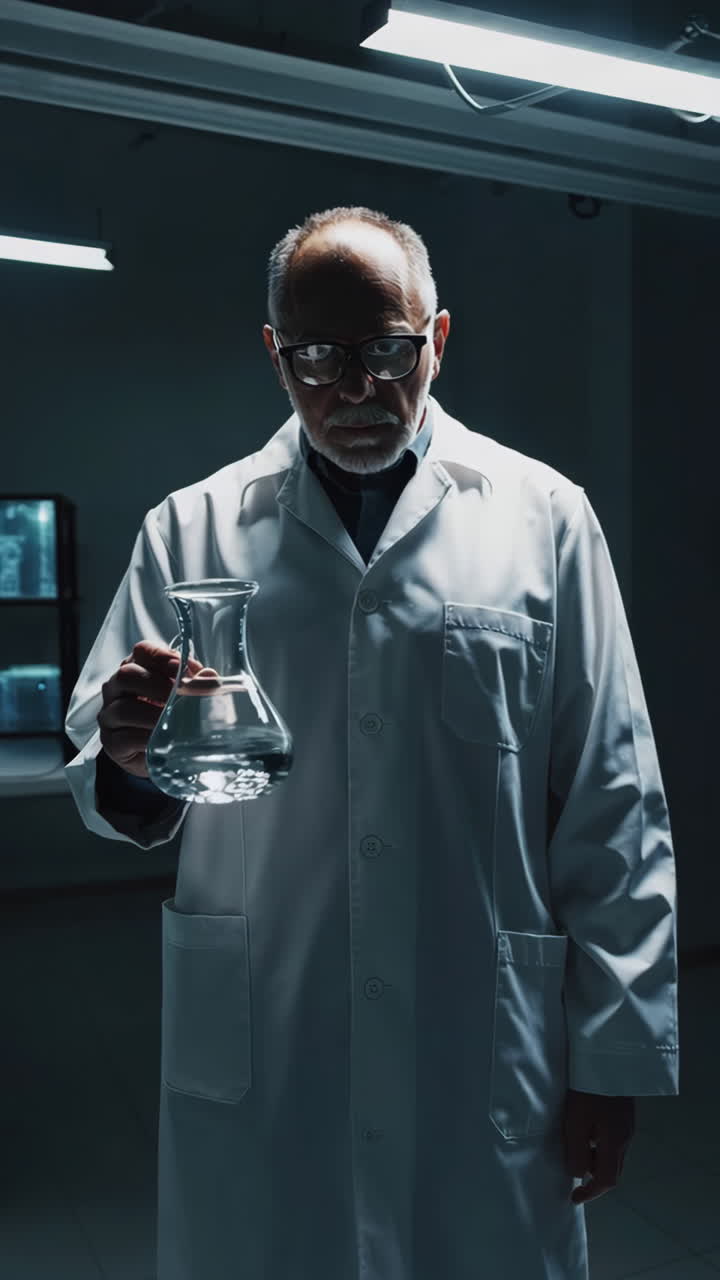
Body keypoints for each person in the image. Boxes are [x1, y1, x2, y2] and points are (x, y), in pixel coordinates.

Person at [64, 205, 679, 1280]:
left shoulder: (545, 517)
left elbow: (613, 800)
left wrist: (612, 1055)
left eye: (387, 352)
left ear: (437, 339)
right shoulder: (190, 527)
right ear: (274, 353)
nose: (352, 387)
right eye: (316, 356)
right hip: (269, 1030)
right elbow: (111, 772)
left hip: (482, 1038)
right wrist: (123, 757)